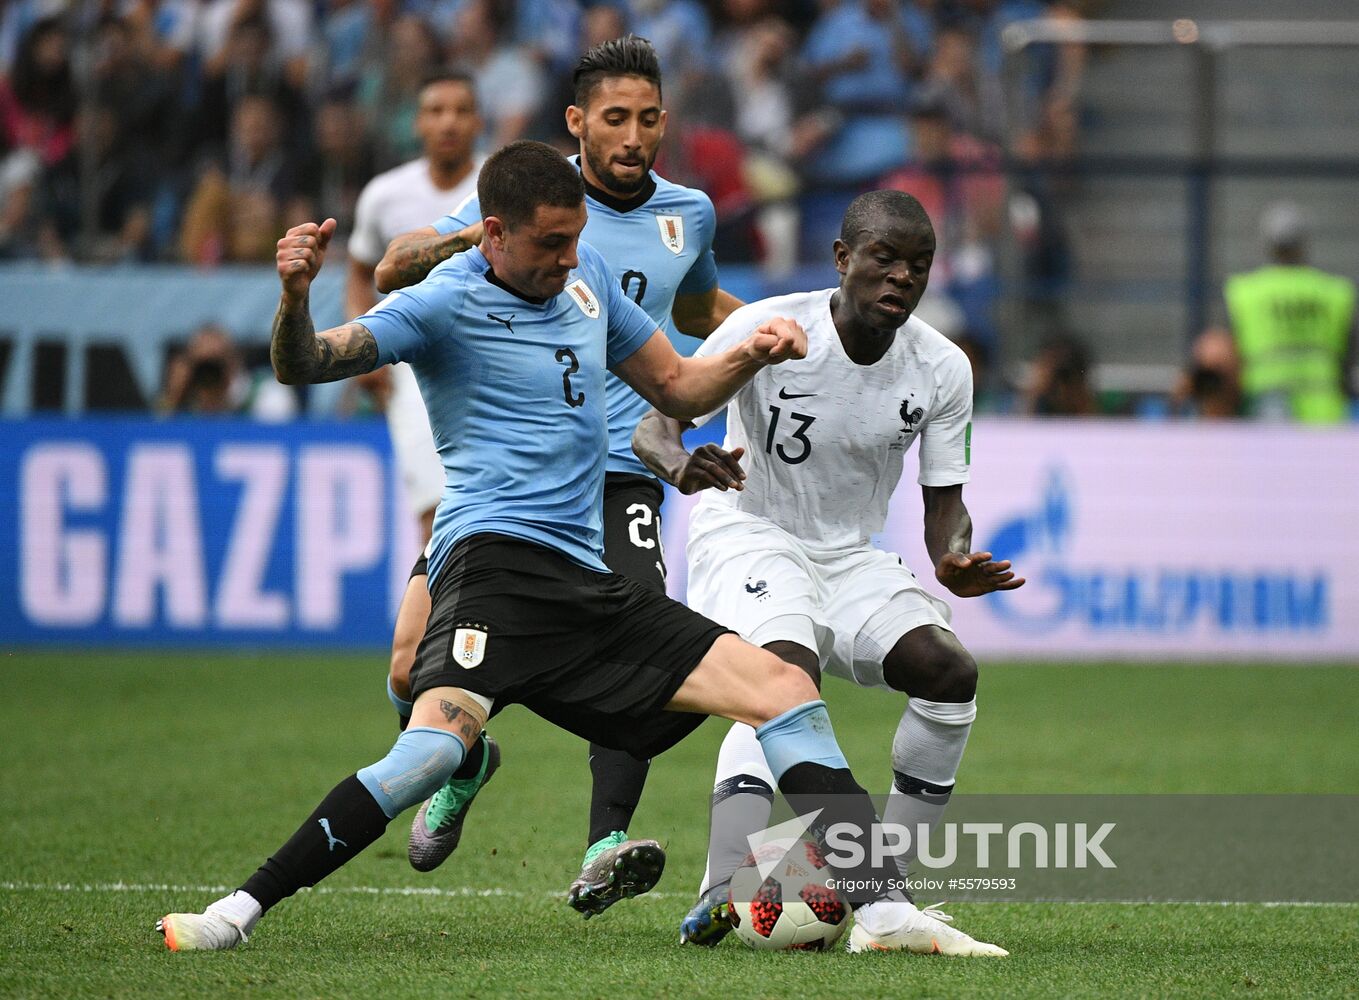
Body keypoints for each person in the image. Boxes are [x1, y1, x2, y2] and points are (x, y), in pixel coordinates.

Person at [155, 140, 1006, 959]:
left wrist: (750, 348)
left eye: (575, 242)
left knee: (781, 688)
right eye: (551, 245)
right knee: (429, 751)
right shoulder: (440, 301)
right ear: (493, 234)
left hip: (587, 576)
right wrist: (296, 295)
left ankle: (885, 909)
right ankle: (237, 910)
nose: (569, 261)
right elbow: (306, 362)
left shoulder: (587, 278)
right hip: (493, 567)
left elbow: (674, 387)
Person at [373, 35, 743, 917]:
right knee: (401, 670)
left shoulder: (687, 213)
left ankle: (603, 844)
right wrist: (469, 234)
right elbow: (397, 264)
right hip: (514, 483)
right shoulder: (532, 197)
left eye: (649, 118)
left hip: (622, 474)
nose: (635, 136)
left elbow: (693, 311)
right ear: (577, 122)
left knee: (638, 654)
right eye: (615, 118)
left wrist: (790, 324)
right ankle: (465, 758)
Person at [631, 189, 1024, 949]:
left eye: (918, 264)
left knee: (948, 673)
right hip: (746, 528)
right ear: (843, 259)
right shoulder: (768, 328)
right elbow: (658, 422)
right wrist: (681, 465)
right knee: (782, 678)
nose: (901, 277)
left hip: (848, 554)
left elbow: (945, 501)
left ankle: (886, 901)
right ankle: (723, 890)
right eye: (884, 258)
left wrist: (951, 556)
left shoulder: (942, 367)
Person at [345, 70, 482, 550]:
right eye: (436, 111)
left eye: (461, 111)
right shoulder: (385, 195)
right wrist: (365, 349)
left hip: (494, 357)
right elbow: (361, 274)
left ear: (478, 121)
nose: (449, 122)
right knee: (435, 515)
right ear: (418, 123)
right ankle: (436, 625)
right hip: (413, 367)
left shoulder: (502, 184)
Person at [1224, 202, 1356, 423]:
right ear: (1304, 242)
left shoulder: (1244, 292)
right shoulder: (1336, 293)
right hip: (1324, 413)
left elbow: (1230, 359)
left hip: (1263, 409)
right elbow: (1348, 359)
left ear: (1266, 243)